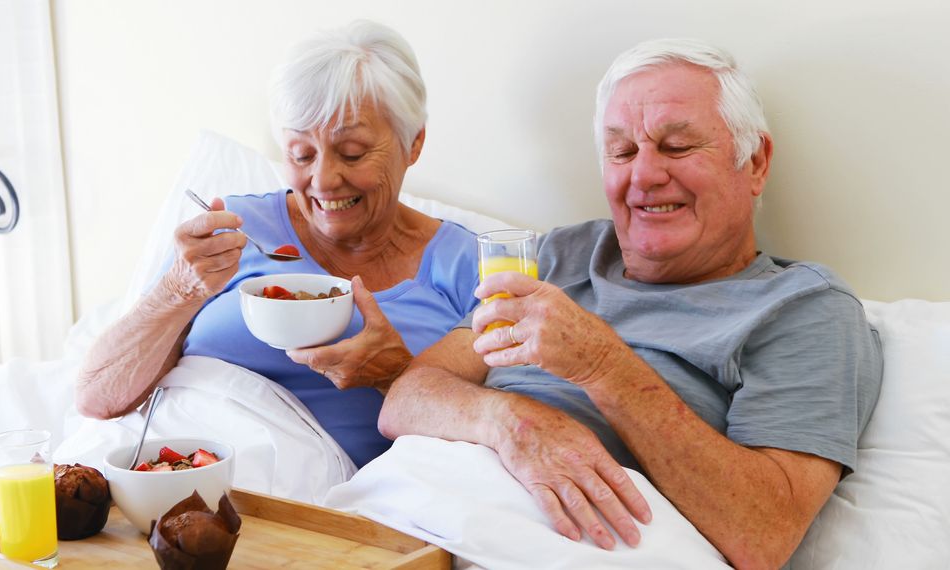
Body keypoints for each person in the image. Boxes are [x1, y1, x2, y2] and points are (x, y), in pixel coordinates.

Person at [378, 38, 882, 569]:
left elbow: (764, 533)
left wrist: (603, 365)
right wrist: (509, 422)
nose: (643, 176)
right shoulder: (560, 255)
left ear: (754, 162)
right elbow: (407, 400)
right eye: (622, 152)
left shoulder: (804, 309)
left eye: (678, 147)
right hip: (395, 521)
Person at [75, 20, 479, 469]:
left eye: (352, 152)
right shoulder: (233, 235)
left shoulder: (469, 265)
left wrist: (397, 375)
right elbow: (98, 399)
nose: (323, 180)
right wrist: (178, 289)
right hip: (164, 470)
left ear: (414, 142)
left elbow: (496, 428)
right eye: (301, 154)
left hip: (307, 511)